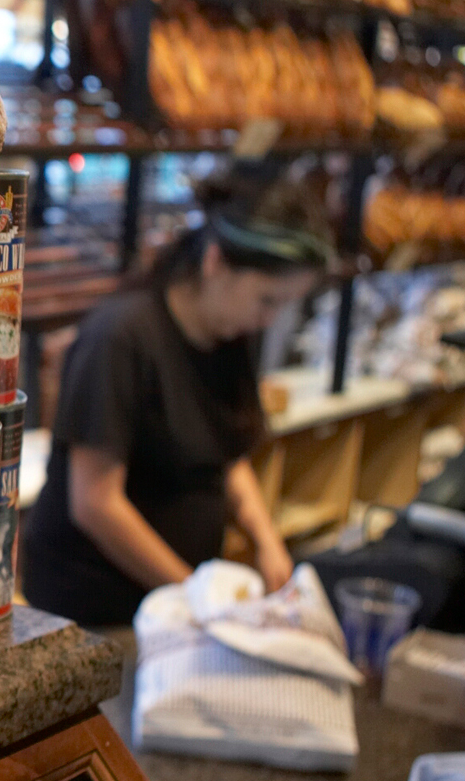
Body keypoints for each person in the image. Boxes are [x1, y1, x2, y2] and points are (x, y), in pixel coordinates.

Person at [23, 171, 332, 626]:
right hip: (96, 612)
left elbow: (225, 455)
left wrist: (268, 543)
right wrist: (196, 595)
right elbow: (95, 503)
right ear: (216, 263)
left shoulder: (227, 337)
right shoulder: (120, 338)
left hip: (173, 602)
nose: (270, 319)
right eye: (267, 300)